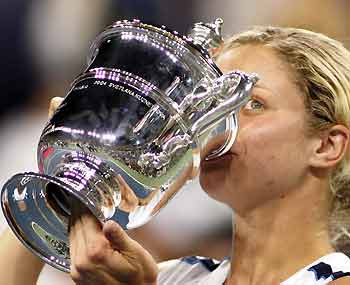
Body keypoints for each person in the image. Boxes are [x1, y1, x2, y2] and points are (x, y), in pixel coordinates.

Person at [1, 25, 350, 285]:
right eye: (201, 104)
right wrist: (68, 183)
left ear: (326, 145)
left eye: (250, 104)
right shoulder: (179, 276)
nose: (209, 126)